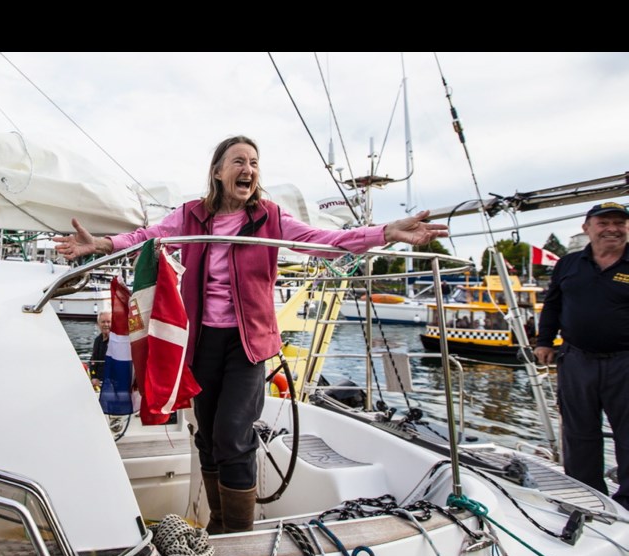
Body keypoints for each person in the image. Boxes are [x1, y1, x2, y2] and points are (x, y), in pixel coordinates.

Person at [54, 135, 448, 533]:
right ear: (218, 172)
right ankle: (219, 527)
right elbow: (146, 237)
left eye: (254, 162)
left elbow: (324, 242)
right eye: (239, 161)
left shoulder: (270, 218)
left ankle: (238, 535)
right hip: (202, 341)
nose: (249, 169)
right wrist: (100, 244)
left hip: (248, 344)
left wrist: (385, 232)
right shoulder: (191, 215)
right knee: (206, 436)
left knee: (232, 435)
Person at [535, 201, 629, 510]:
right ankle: (587, 497)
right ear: (586, 227)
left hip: (624, 363)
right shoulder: (568, 264)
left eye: (620, 222)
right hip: (576, 360)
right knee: (578, 433)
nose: (612, 228)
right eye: (604, 223)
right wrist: (544, 341)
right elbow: (553, 304)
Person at [88, 311, 111, 389]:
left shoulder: (116, 341)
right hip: (98, 382)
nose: (106, 325)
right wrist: (93, 377)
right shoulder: (98, 340)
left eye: (108, 322)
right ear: (98, 324)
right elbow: (93, 361)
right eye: (103, 322)